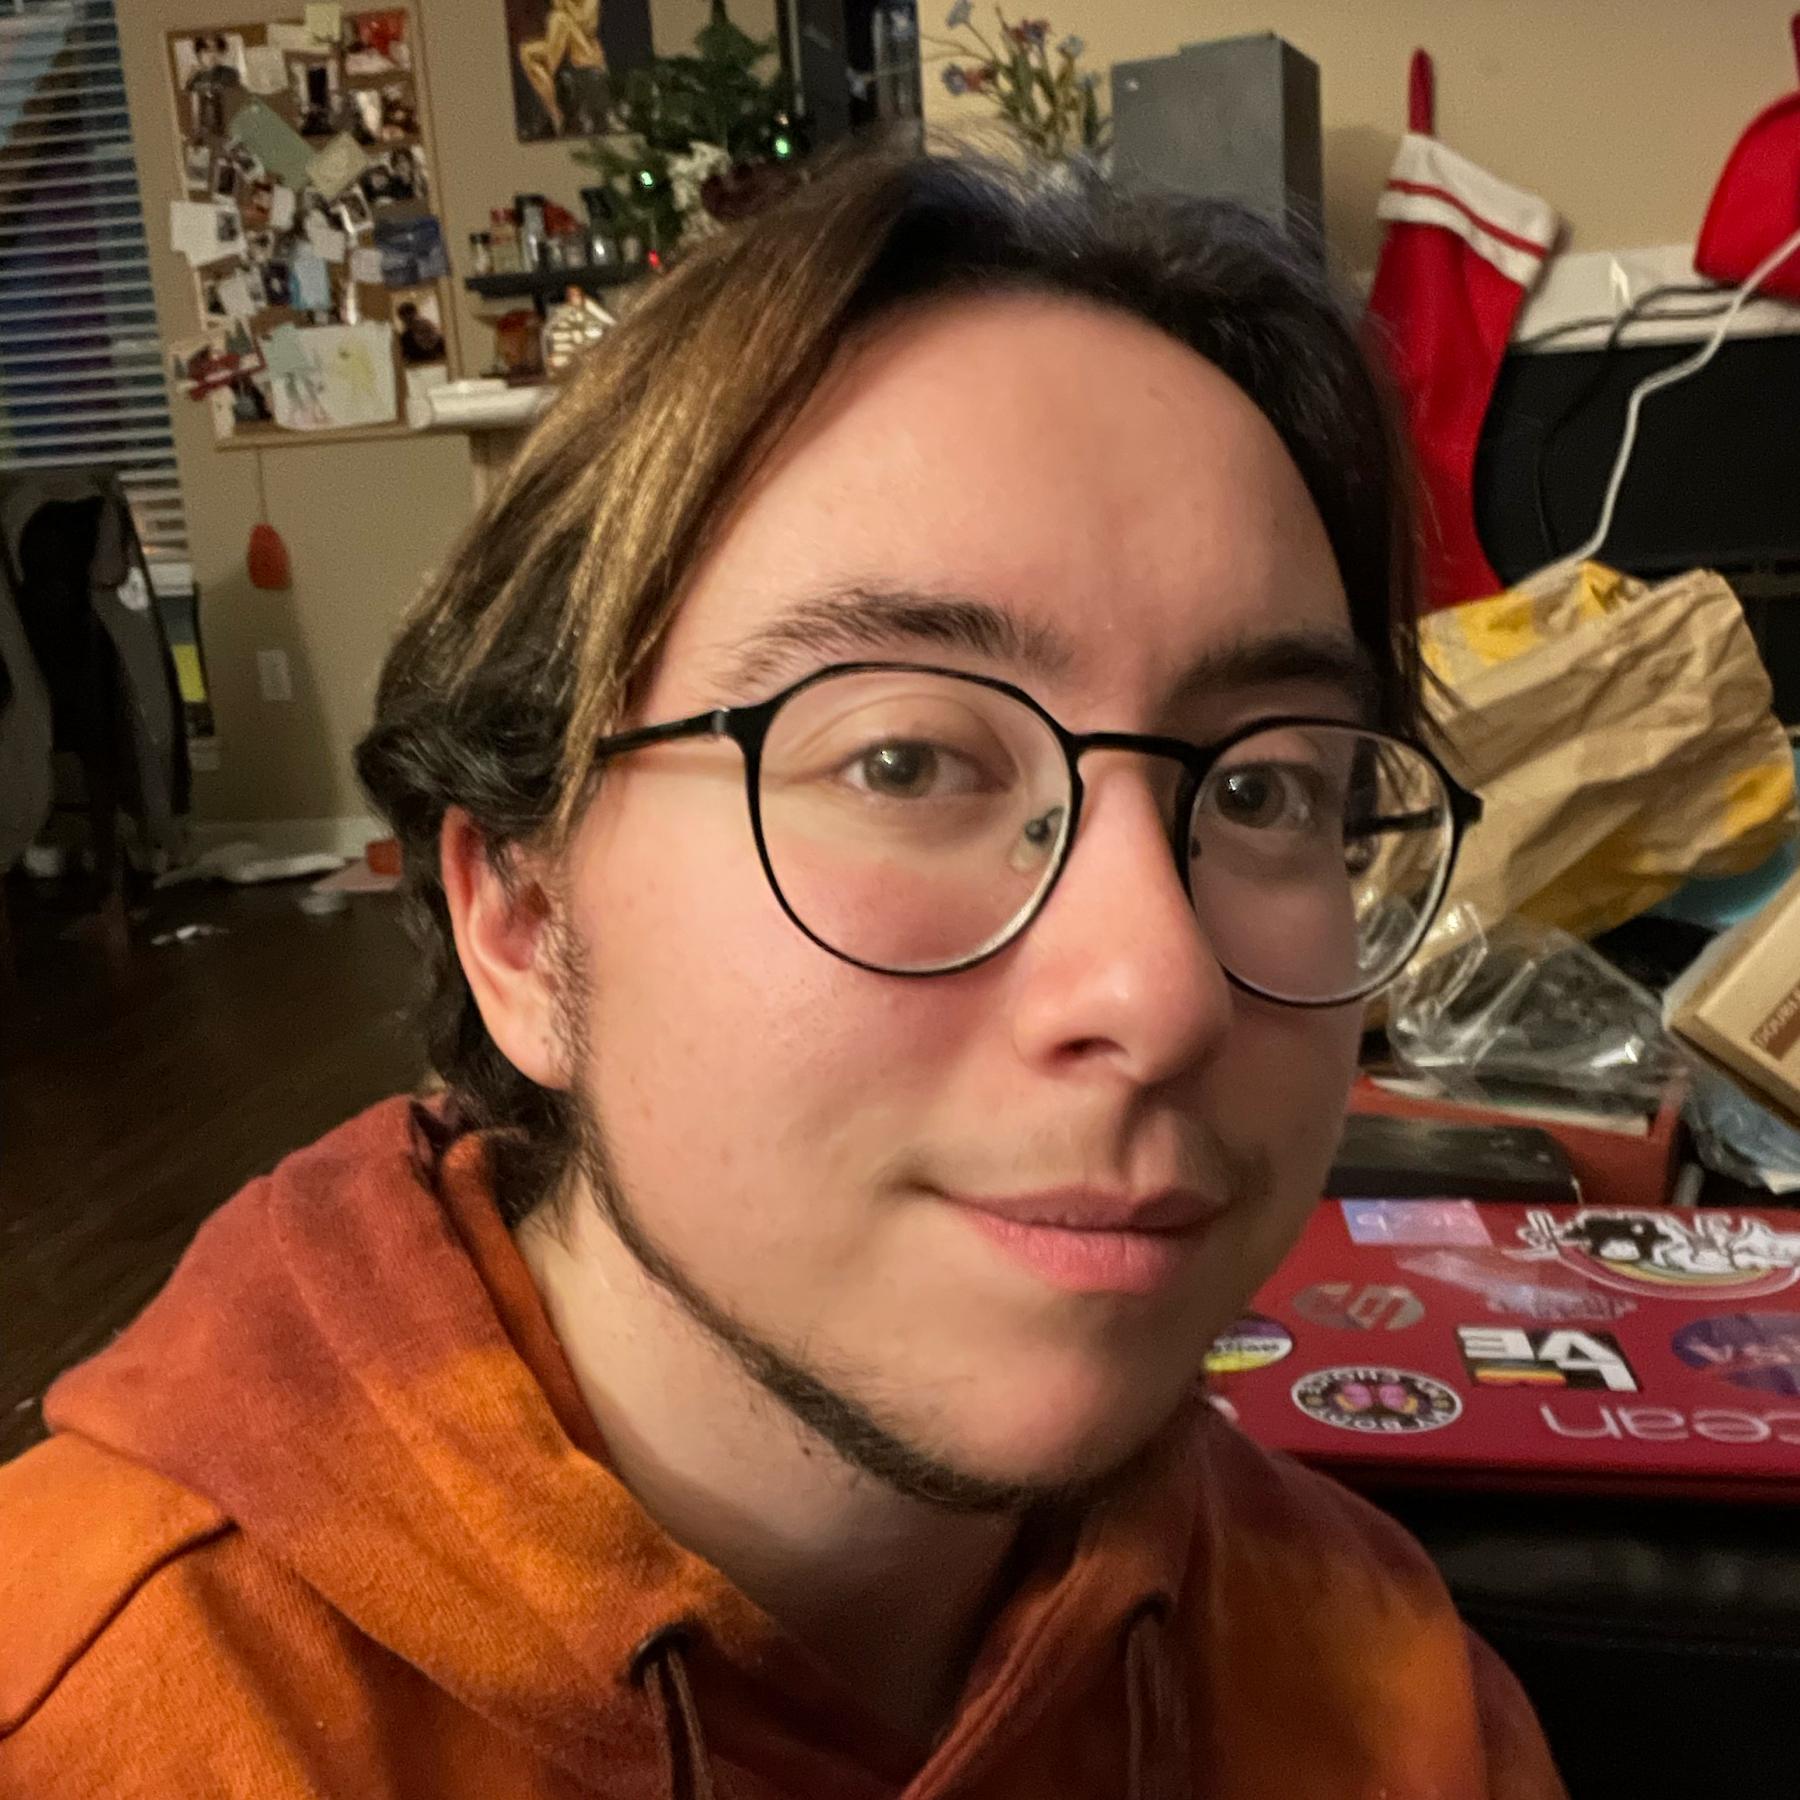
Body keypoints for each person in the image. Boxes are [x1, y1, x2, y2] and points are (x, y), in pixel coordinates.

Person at [0, 155, 1564, 1796]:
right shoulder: (92, 1727)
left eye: (1265, 791)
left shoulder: (1393, 1699)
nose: (1164, 994)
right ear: (520, 917)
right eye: (905, 761)